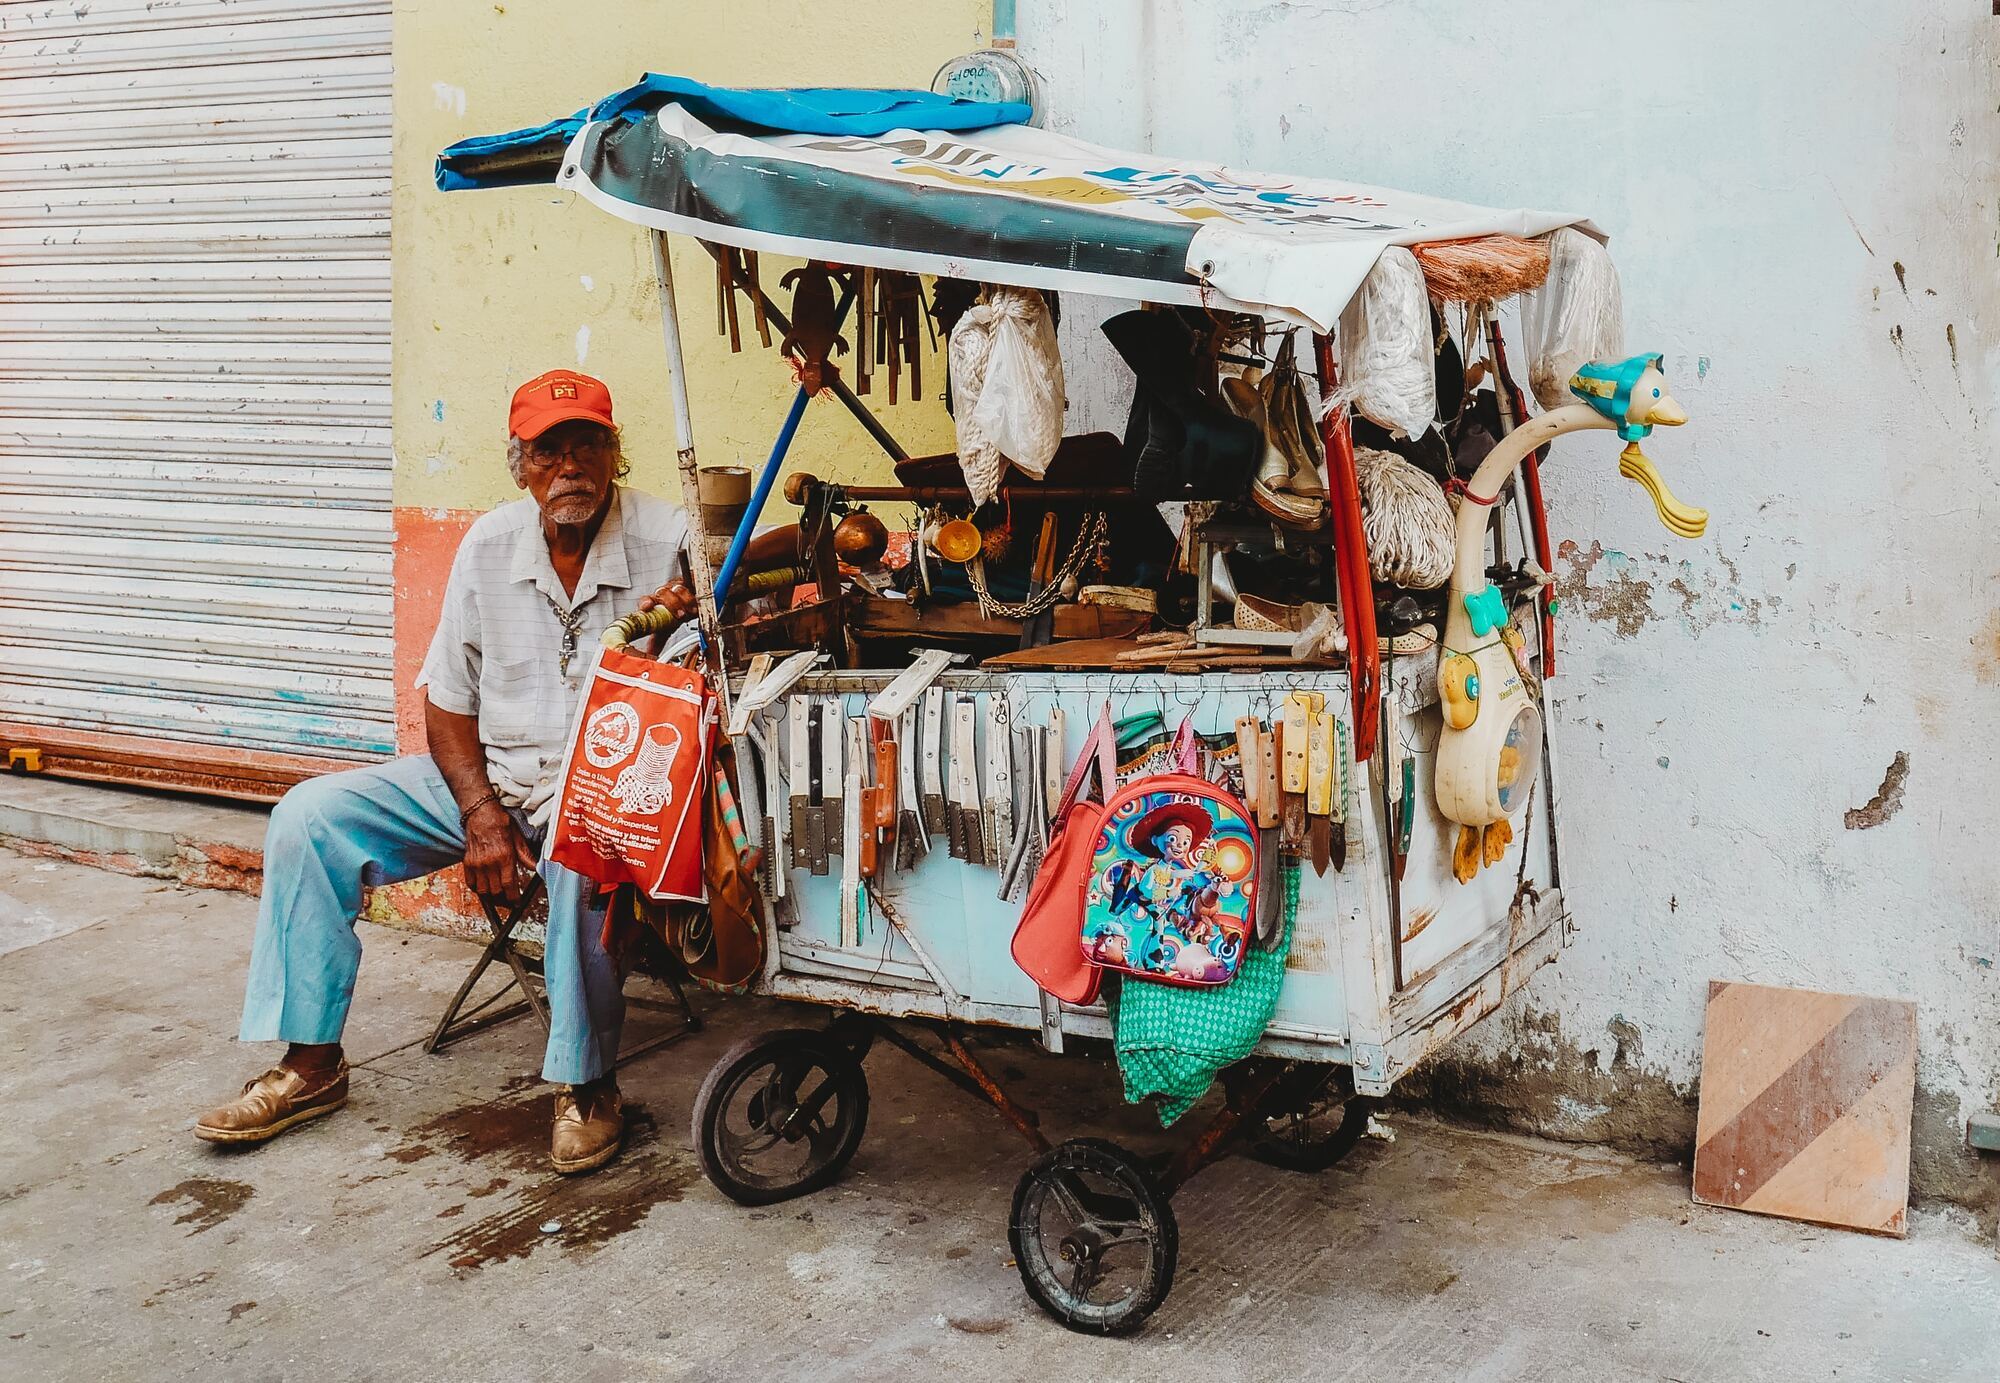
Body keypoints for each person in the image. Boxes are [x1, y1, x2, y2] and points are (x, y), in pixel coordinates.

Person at [195, 369, 701, 1174]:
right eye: (547, 449)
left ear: (615, 453)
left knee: (580, 852)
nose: (568, 464)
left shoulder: (671, 535)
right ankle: (312, 1064)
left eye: (586, 444)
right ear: (520, 463)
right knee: (308, 815)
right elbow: (447, 698)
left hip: (606, 790)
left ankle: (588, 1084)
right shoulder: (489, 544)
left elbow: (758, 576)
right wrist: (480, 812)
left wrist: (709, 594)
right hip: (492, 774)